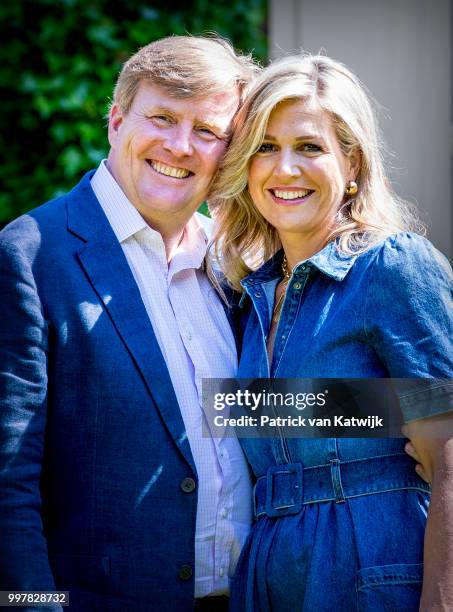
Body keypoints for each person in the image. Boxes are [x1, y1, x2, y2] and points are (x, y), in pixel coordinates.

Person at [0, 35, 259, 611]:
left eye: (208, 131)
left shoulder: (236, 260)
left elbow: (245, 410)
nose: (180, 145)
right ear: (117, 120)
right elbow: (7, 484)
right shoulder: (30, 256)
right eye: (162, 117)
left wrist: (405, 412)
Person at [210, 54, 453, 611]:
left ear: (353, 163)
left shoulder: (391, 266)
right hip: (267, 578)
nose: (284, 169)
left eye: (310, 147)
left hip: (372, 571)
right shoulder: (248, 298)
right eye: (265, 147)